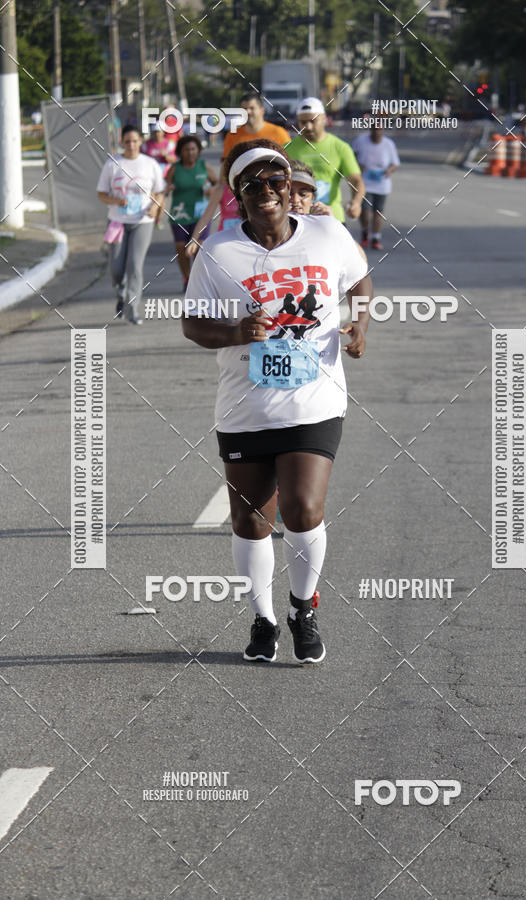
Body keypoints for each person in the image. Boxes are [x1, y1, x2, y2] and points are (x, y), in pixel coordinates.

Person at [182, 139, 372, 664]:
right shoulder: (220, 253)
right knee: (250, 522)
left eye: (276, 181)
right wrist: (238, 331)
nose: (267, 191)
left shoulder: (327, 234)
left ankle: (303, 609)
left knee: (303, 507)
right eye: (253, 185)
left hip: (315, 400)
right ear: (239, 197)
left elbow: (359, 281)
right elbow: (193, 324)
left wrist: (359, 323)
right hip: (246, 406)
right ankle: (264, 617)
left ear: (290, 188)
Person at [186, 92, 291, 258]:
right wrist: (195, 238)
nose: (248, 112)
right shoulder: (233, 135)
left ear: (262, 110)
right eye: (244, 109)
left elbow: (288, 169)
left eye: (252, 108)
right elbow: (225, 169)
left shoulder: (278, 134)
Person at [97, 124, 165, 323]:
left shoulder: (150, 163)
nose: (131, 145)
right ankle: (121, 295)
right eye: (127, 142)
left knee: (135, 266)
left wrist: (156, 206)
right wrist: (116, 201)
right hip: (117, 222)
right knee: (116, 269)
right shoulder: (112, 164)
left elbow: (160, 191)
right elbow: (101, 194)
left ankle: (132, 309)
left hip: (143, 221)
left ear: (141, 142)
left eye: (135, 141)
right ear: (122, 143)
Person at [286, 97, 365, 223]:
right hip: (297, 219)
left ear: (324, 119)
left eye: (313, 121)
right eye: (303, 122)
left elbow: (356, 180)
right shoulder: (288, 148)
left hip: (332, 218)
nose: (308, 126)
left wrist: (356, 203)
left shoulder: (340, 147)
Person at [159, 135, 218, 290]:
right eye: (186, 150)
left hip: (201, 215)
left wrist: (210, 190)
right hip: (180, 215)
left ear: (198, 151)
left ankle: (199, 282)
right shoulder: (175, 168)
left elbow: (218, 185)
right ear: (181, 152)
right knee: (181, 248)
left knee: (199, 248)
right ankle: (187, 278)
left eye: (193, 149)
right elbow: (164, 187)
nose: (190, 152)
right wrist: (166, 190)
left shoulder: (204, 166)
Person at [352, 124, 399, 250]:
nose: (377, 131)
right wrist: (357, 165)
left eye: (379, 129)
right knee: (365, 211)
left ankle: (376, 238)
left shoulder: (388, 144)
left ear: (383, 130)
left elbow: (395, 163)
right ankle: (365, 233)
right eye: (374, 129)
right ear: (370, 129)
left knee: (378, 212)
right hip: (365, 183)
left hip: (382, 183)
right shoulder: (361, 141)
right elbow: (351, 155)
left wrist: (389, 170)